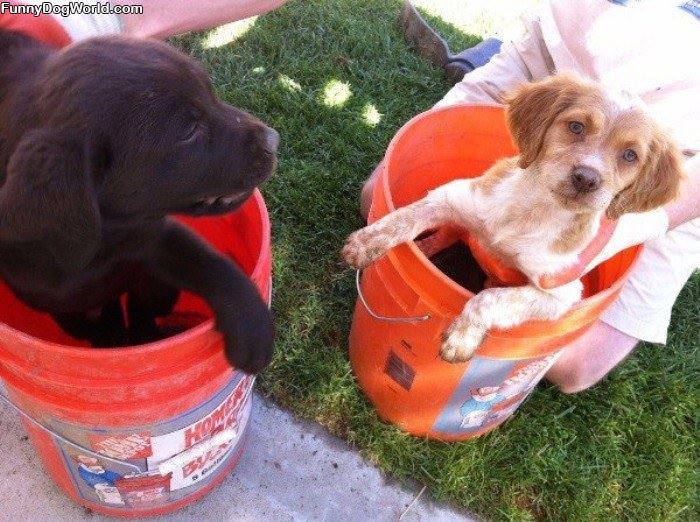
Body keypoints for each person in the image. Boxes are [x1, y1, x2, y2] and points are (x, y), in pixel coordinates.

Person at [361, 0, 700, 394]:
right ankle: (498, 68)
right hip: (555, 71)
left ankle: (582, 130)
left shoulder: (657, 164)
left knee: (574, 369)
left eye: (628, 153)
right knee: (376, 200)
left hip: (684, 147)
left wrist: (627, 228)